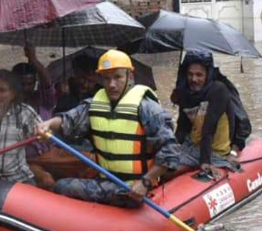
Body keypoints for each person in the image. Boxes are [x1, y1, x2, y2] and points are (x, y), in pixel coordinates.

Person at [35, 49, 177, 206]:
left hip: (135, 187)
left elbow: (170, 152)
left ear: (130, 76)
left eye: (117, 77)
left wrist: (145, 182)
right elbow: (68, 119)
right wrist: (48, 124)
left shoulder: (148, 108)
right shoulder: (95, 104)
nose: (112, 85)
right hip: (105, 181)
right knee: (61, 186)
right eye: (106, 79)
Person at [130, 51, 244, 196]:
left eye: (199, 75)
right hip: (191, 146)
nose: (193, 79)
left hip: (213, 150)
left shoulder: (218, 90)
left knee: (168, 172)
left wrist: (205, 163)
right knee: (159, 160)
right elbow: (182, 128)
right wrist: (171, 148)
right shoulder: (186, 92)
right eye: (190, 74)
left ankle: (158, 194)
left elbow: (208, 129)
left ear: (208, 75)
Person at [11, 42, 57, 121]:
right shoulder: (7, 103)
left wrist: (33, 59)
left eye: (29, 84)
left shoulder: (43, 99)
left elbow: (47, 84)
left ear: (35, 82)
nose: (25, 88)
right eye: (21, 84)